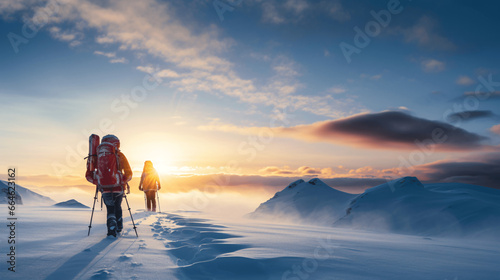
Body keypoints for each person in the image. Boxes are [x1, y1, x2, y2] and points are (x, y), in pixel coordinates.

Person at [98, 135, 132, 236]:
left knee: (110, 208)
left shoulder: (97, 155)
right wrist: (123, 181)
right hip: (118, 187)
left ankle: (111, 228)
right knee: (117, 206)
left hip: (104, 188)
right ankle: (119, 227)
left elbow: (89, 175)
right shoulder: (120, 155)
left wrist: (100, 182)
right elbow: (129, 173)